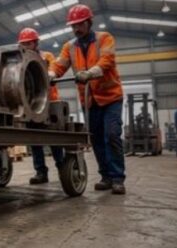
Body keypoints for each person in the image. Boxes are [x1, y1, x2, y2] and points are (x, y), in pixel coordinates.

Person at [48, 4, 126, 194]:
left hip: (111, 98)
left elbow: (107, 61)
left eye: (80, 24)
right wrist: (50, 74)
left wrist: (90, 73)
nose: (76, 28)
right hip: (89, 101)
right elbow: (60, 65)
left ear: (89, 22)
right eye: (73, 25)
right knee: (96, 139)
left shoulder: (104, 38)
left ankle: (117, 178)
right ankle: (106, 177)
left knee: (112, 135)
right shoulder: (69, 47)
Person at [18, 27, 65, 184]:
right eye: (23, 44)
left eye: (28, 43)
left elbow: (54, 69)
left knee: (54, 139)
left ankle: (62, 169)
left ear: (36, 43)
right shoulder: (21, 60)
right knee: (35, 140)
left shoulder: (47, 56)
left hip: (50, 102)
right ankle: (41, 172)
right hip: (31, 105)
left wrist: (49, 74)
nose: (25, 47)